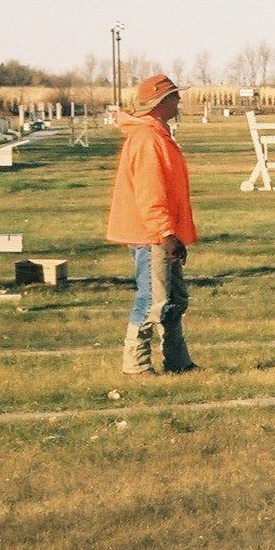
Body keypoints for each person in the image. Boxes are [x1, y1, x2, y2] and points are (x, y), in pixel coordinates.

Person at [106, 73, 197, 375]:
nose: (179, 100)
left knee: (173, 298)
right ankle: (136, 364)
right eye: (174, 96)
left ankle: (178, 361)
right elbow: (150, 192)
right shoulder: (148, 139)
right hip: (152, 234)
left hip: (161, 232)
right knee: (151, 299)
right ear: (160, 102)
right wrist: (166, 234)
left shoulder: (156, 134)